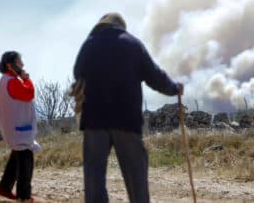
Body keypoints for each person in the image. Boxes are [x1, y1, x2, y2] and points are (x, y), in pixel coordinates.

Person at [73, 12, 183, 203]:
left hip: (94, 120)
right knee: (136, 178)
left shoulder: (89, 43)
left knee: (94, 179)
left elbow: (77, 72)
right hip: (126, 119)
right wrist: (174, 88)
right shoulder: (132, 44)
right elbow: (154, 76)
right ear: (121, 26)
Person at [0, 51, 41, 202]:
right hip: (19, 129)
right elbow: (29, 93)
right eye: (19, 61)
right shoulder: (12, 81)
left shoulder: (5, 80)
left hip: (14, 128)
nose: (22, 64)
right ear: (10, 65)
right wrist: (26, 79)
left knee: (17, 156)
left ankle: (4, 187)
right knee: (25, 158)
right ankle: (24, 196)